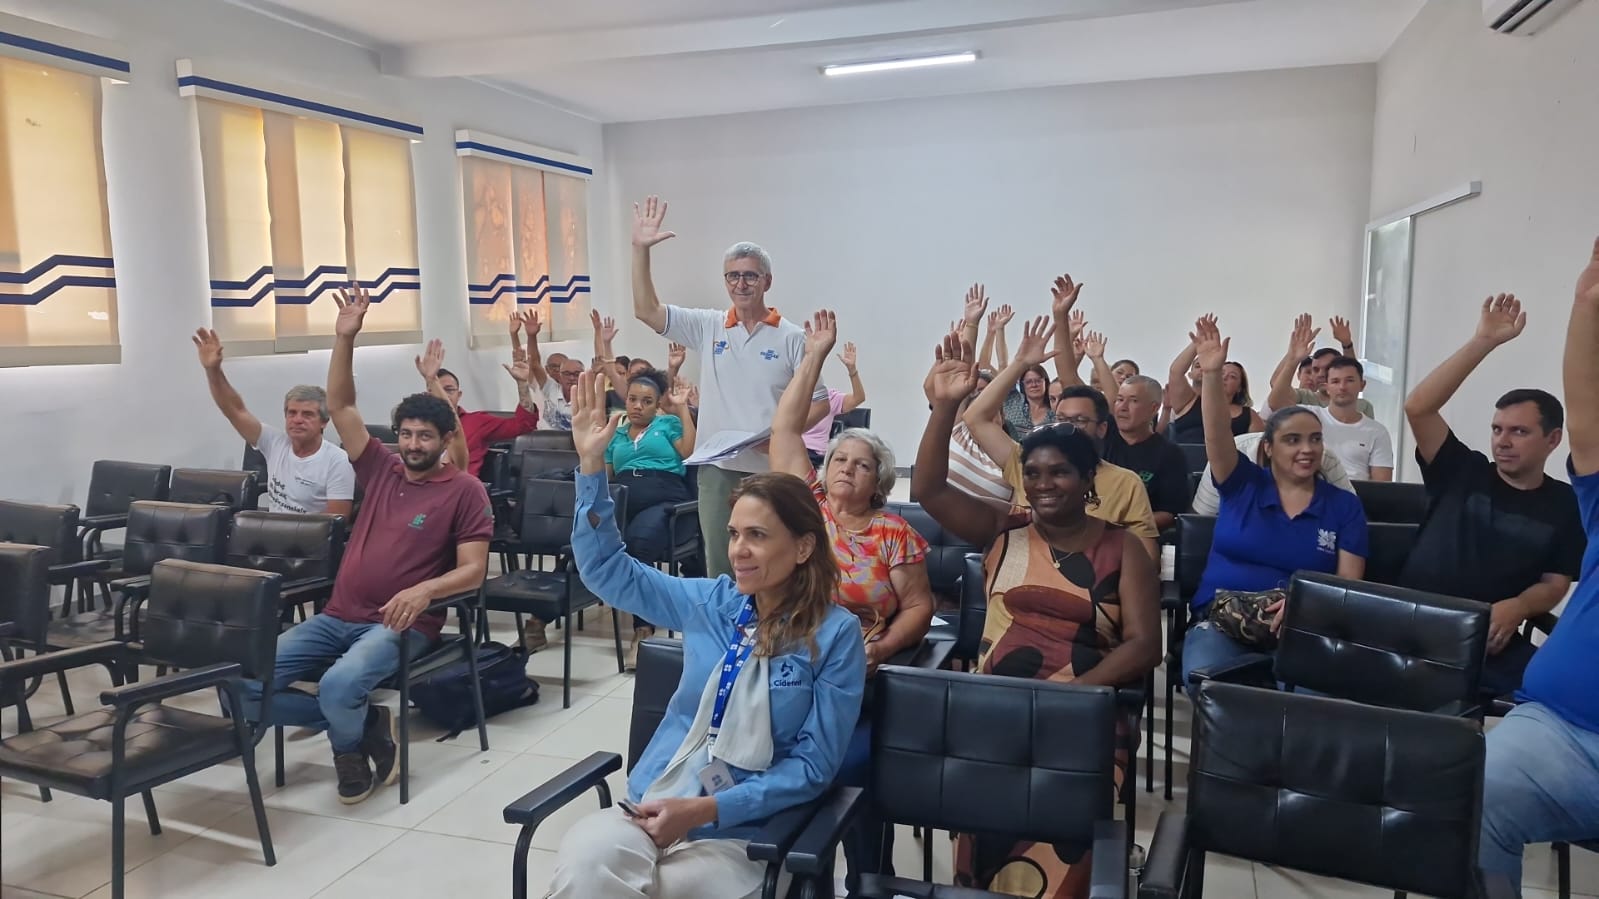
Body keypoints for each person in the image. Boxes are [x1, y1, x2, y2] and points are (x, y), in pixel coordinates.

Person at [548, 372, 865, 899]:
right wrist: (591, 468)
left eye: (757, 536)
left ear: (803, 547)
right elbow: (608, 572)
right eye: (734, 534)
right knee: (586, 864)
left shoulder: (834, 635)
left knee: (664, 890)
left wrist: (707, 809)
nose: (738, 550)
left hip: (744, 829)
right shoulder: (713, 602)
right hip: (652, 804)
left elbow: (813, 767)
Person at [912, 332, 1160, 898]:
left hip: (1082, 710)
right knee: (984, 837)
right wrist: (945, 407)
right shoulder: (1005, 529)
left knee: (1060, 851)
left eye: (1060, 473)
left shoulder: (1123, 549)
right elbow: (927, 489)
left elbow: (1146, 645)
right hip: (996, 705)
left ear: (1089, 480)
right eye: (1034, 473)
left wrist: (1071, 697)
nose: (1044, 485)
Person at [239, 285, 492, 804]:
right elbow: (340, 405)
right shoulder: (381, 468)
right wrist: (344, 337)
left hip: (401, 623)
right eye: (407, 434)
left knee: (338, 685)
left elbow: (474, 570)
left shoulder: (465, 490)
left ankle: (347, 748)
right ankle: (364, 722)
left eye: (425, 436)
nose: (413, 444)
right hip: (337, 615)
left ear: (445, 440)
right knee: (239, 683)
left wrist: (425, 591)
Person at [770, 310, 934, 887]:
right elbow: (785, 432)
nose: (846, 469)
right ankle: (792, 868)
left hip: (855, 666)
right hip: (786, 655)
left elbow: (919, 607)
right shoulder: (807, 508)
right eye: (839, 459)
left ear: (879, 482)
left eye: (862, 465)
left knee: (850, 772)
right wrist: (815, 356)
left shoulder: (894, 533)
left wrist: (881, 649)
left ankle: (867, 875)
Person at [1478, 237, 1599, 892]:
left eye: (1518, 431)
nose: (1504, 441)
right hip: (1559, 729)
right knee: (1477, 792)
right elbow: (1585, 415)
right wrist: (1586, 308)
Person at [629, 195, 828, 579]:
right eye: (733, 276)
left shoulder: (792, 338)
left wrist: (780, 437)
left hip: (771, 469)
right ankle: (727, 619)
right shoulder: (709, 325)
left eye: (750, 276)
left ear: (767, 281)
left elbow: (820, 404)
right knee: (722, 567)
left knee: (773, 564)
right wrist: (640, 250)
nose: (741, 283)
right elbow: (646, 310)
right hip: (718, 469)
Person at [1398, 293, 1583, 697]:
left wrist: (1519, 606)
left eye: (1519, 431)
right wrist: (1483, 342)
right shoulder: (1462, 469)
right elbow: (1418, 408)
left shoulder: (1566, 503)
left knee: (1556, 694)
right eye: (1498, 429)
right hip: (1411, 624)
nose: (1503, 441)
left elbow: (1555, 582)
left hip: (1487, 637)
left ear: (1553, 439)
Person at [1179, 315, 1367, 686]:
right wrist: (1213, 375)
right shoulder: (1242, 484)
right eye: (1292, 440)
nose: (1306, 449)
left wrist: (1307, 606)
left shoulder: (1343, 506)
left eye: (1315, 439)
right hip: (1224, 623)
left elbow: (1349, 586)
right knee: (1213, 688)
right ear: (1268, 447)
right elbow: (1216, 435)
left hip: (1305, 626)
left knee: (1314, 701)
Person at [964, 316, 1160, 566]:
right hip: (1026, 573)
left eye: (1079, 420)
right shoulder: (1027, 465)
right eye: (1061, 419)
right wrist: (1020, 363)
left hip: (1093, 580)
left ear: (1102, 428)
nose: (1068, 428)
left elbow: (1148, 560)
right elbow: (975, 418)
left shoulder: (1126, 483)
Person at [192, 328, 354, 516]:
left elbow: (336, 520)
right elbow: (235, 411)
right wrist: (213, 371)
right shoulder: (275, 442)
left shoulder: (337, 461)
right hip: (269, 531)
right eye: (292, 413)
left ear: (324, 422)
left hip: (308, 534)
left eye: (307, 414)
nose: (297, 420)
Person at [606, 368, 701, 667]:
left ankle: (643, 630)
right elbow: (605, 475)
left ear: (657, 403)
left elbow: (689, 451)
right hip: (622, 499)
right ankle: (538, 621)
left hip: (665, 500)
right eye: (632, 399)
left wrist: (682, 408)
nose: (638, 406)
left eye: (646, 401)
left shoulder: (667, 424)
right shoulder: (616, 433)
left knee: (638, 545)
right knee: (583, 541)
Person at [1266, 316, 1394, 481]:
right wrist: (1292, 359)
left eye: (1349, 381)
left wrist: (1347, 344)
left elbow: (1382, 485)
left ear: (1362, 385)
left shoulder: (1376, 430)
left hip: (1356, 493)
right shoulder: (1310, 415)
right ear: (1327, 385)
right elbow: (1276, 401)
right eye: (1335, 381)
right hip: (1314, 490)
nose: (1342, 387)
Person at [418, 310, 541, 477]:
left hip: (461, 489)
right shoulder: (416, 427)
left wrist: (522, 384)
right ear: (427, 395)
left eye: (449, 390)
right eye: (437, 389)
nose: (444, 395)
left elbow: (523, 425)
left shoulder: (476, 422)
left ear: (459, 395)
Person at [1106, 375, 1193, 530]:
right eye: (1119, 399)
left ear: (1153, 408)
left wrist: (1119, 528)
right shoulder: (1099, 442)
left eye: (1133, 401)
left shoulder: (1170, 454)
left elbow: (1168, 513)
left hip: (1137, 535)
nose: (1123, 407)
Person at [1164, 320, 1264, 444]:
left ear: (1240, 387)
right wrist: (1197, 343)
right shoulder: (1190, 402)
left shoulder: (1250, 416)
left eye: (1232, 376)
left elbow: (1257, 448)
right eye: (1221, 372)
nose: (1225, 377)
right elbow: (1176, 372)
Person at [1266, 316, 1375, 418]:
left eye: (1327, 368)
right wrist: (1292, 356)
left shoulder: (1362, 406)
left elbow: (1351, 371)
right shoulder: (1304, 397)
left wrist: (1347, 345)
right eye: (1315, 370)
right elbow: (1276, 386)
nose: (1321, 374)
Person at [801, 341, 868, 469]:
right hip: (793, 450)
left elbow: (859, 398)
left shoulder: (829, 397)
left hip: (815, 456)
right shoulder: (791, 396)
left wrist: (852, 370)